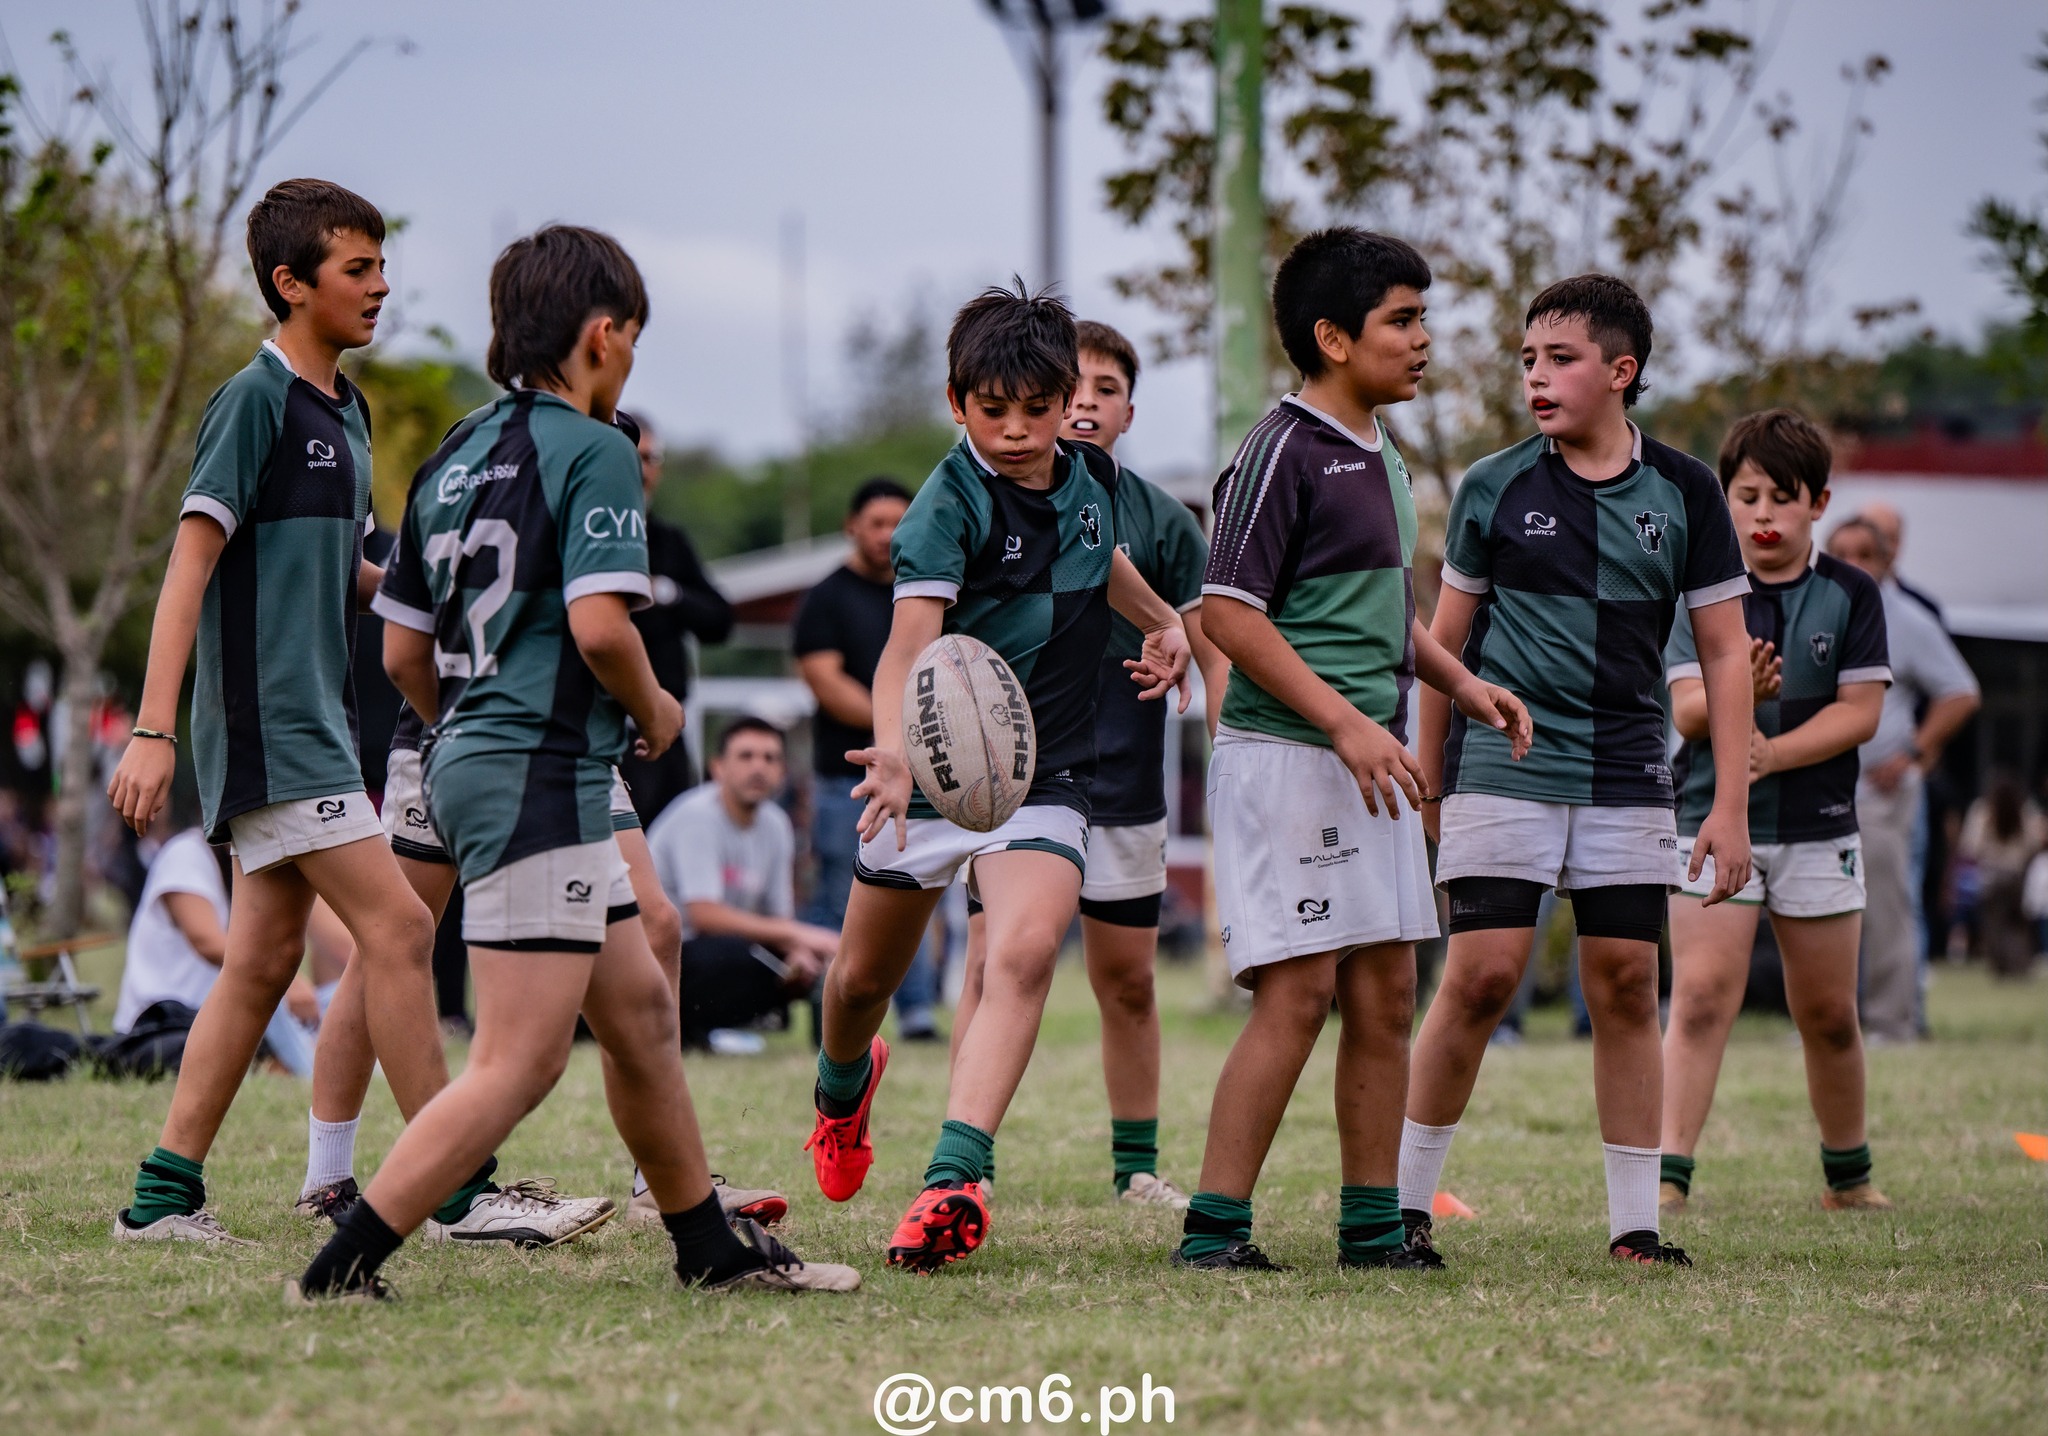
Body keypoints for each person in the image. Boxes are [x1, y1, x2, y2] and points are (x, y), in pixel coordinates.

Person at [293, 224, 857, 1301]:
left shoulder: (454, 450)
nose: (631, 361)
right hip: (537, 768)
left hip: (464, 754)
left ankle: (708, 1248)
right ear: (603, 336)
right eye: (632, 340)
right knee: (520, 1058)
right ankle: (339, 1267)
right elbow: (603, 628)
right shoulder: (595, 445)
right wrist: (651, 706)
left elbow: (403, 647)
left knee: (641, 1006)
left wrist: (464, 725)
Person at [804, 281, 1190, 1273]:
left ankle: (951, 1177)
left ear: (1069, 397)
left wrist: (1163, 621)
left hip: (1045, 769)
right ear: (954, 401)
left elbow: (1103, 565)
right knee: (857, 983)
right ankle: (841, 1089)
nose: (1016, 430)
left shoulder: (1092, 479)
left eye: (1037, 407)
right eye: (992, 410)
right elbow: (904, 649)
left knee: (1019, 953)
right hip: (927, 770)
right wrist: (894, 750)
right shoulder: (943, 508)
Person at [1170, 230, 1528, 1273]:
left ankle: (1372, 1228)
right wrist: (1340, 720)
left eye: (1423, 318)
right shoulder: (1280, 446)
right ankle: (1212, 1230)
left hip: (1360, 757)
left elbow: (1383, 614)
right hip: (1291, 759)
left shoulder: (1382, 449)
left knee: (1385, 990)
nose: (1424, 340)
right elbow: (1227, 615)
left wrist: (1457, 681)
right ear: (1330, 337)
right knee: (1301, 991)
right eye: (1401, 321)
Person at [105, 179, 446, 1246]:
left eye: (382, 265)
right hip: (271, 728)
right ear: (291, 284)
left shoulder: (346, 406)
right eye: (358, 269)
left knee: (259, 961)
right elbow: (187, 569)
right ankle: (460, 1183)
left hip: (320, 723)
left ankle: (161, 1198)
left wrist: (438, 589)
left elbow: (351, 568)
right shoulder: (251, 400)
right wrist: (155, 730)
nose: (381, 286)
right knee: (395, 924)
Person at [1403, 272, 1755, 1270]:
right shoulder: (1491, 484)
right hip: (1500, 767)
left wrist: (1727, 803)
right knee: (1478, 977)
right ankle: (1400, 1206)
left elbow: (1723, 654)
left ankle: (1634, 1226)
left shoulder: (1685, 491)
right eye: (1525, 360)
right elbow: (1442, 642)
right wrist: (1424, 774)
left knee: (1622, 980)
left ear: (1620, 370)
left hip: (1627, 772)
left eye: (1558, 359)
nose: (1536, 377)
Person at [950, 319, 1230, 1209]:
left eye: (1110, 391)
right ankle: (965, 1165)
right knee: (993, 961)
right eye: (1083, 387)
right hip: (1011, 777)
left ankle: (1136, 1169)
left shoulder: (1159, 520)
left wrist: (1227, 742)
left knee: (1129, 979)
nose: (1090, 405)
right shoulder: (979, 498)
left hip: (1126, 770)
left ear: (1125, 411)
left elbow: (1208, 642)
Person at [1657, 410, 1893, 1215]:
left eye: (1781, 498)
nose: (1762, 515)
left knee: (1828, 1014)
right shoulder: (1701, 588)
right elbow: (1688, 710)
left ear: (1819, 503)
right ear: (1722, 500)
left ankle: (1849, 1179)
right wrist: (1738, 692)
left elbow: (1861, 711)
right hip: (1708, 821)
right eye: (1746, 496)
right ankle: (1668, 1179)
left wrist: (1770, 751)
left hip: (1821, 826)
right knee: (1698, 1000)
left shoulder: (1852, 593)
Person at [792, 477, 942, 1041]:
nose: (887, 536)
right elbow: (824, 681)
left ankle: (920, 1014)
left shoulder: (925, 591)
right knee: (840, 897)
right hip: (845, 781)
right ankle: (831, 1018)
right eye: (876, 523)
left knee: (918, 889)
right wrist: (899, 726)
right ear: (851, 527)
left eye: (898, 524)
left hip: (924, 779)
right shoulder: (826, 597)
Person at [1824, 517, 1980, 1041]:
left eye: (1864, 553)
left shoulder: (1907, 619)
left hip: (1881, 791)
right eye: (1841, 552)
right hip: (1822, 787)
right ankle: (1825, 1021)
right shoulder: (1818, 606)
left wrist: (1916, 750)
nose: (1852, 564)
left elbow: (1961, 691)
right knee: (1820, 909)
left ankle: (1894, 1022)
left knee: (1887, 907)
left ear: (1889, 561)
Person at [643, 717, 840, 1062]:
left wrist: (798, 952)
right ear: (718, 767)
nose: (758, 768)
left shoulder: (776, 825)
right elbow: (704, 916)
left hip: (723, 949)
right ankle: (693, 1028)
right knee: (736, 956)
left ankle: (813, 1041)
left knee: (806, 959)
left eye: (770, 758)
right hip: (660, 955)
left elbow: (778, 918)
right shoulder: (697, 816)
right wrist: (799, 934)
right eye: (746, 756)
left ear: (782, 772)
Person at [116, 806, 322, 1079]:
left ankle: (325, 1065)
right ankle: (317, 1073)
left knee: (327, 1003)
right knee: (271, 1002)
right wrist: (288, 982)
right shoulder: (186, 854)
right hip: (163, 1023)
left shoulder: (238, 863)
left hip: (213, 1019)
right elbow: (206, 941)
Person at [619, 412, 735, 821]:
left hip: (665, 735)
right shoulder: (579, 530)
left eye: (652, 458)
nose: (643, 469)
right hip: (603, 733)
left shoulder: (669, 541)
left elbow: (720, 621)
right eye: (633, 456)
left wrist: (668, 592)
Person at [1957, 772, 2046, 979]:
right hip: (2017, 877)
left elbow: (1970, 846)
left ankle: (2001, 967)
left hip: (1991, 878)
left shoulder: (1982, 811)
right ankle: (2018, 965)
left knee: (1994, 924)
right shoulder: (2026, 811)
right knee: (2016, 926)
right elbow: (2034, 843)